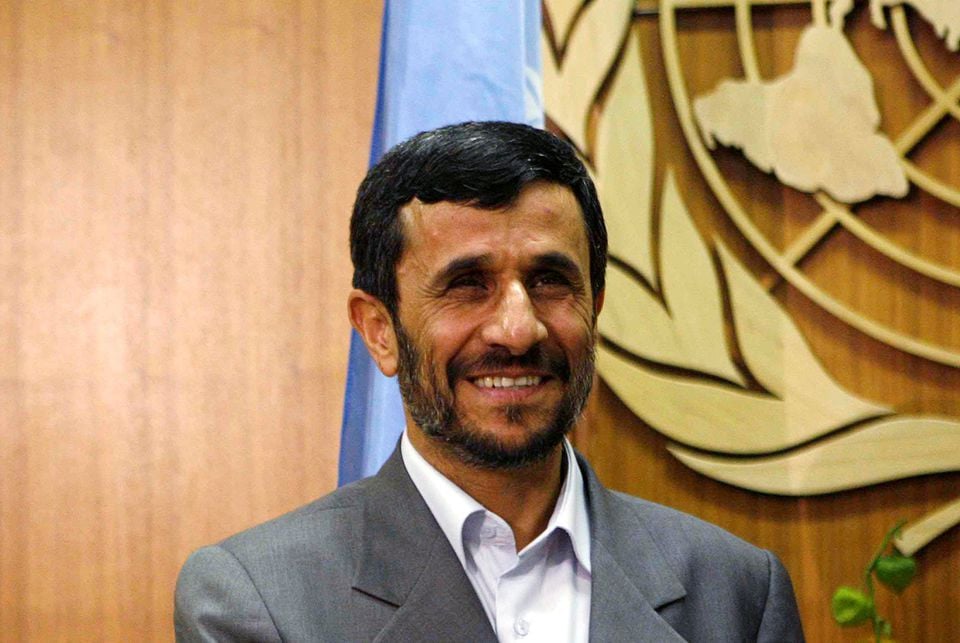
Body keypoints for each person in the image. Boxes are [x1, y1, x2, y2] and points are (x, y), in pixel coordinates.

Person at [174, 121, 805, 642]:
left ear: (596, 305)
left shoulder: (737, 593)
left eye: (550, 281)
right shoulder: (258, 602)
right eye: (466, 285)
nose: (518, 328)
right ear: (379, 330)